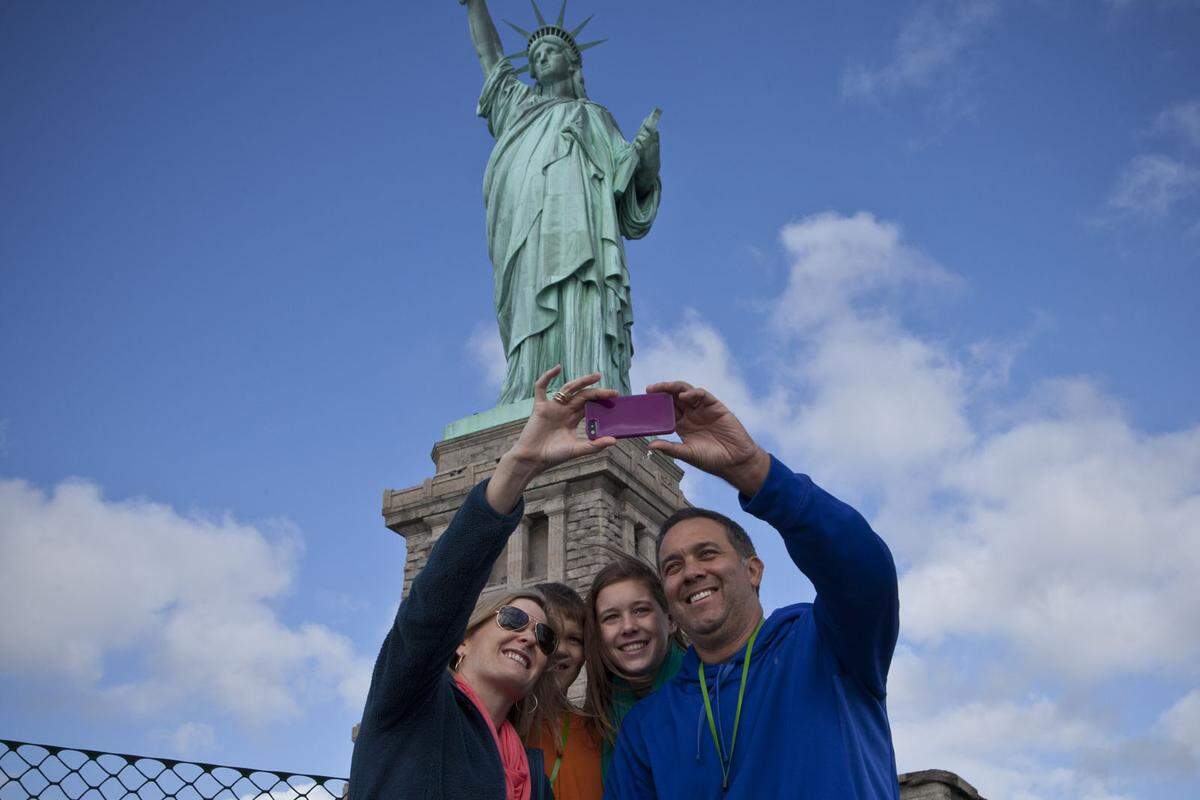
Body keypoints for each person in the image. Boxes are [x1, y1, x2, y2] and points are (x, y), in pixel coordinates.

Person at [604, 381, 901, 799]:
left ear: (754, 570)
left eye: (707, 554)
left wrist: (754, 471)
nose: (691, 572)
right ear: (668, 599)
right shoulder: (645, 729)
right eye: (673, 566)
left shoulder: (829, 646)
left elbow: (862, 568)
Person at [348, 366, 619, 800]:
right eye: (512, 618)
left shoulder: (530, 776)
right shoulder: (412, 705)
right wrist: (520, 465)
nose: (531, 637)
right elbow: (437, 599)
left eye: (544, 636)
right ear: (461, 641)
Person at [458, 0, 663, 403]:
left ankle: (588, 380)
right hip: (525, 229)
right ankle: (529, 388)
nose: (540, 58)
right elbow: (490, 56)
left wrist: (649, 158)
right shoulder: (517, 107)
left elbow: (631, 193)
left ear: (571, 63)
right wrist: (474, 5)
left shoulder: (597, 118)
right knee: (529, 301)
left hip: (584, 233)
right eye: (535, 56)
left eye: (550, 51)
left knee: (582, 293)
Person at [582, 552, 686, 779]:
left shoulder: (716, 690)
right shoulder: (597, 720)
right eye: (611, 617)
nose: (628, 627)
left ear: (671, 621)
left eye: (640, 610)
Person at [527, 582, 604, 800]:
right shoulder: (492, 725)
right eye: (549, 633)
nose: (560, 649)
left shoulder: (599, 734)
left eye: (574, 639)